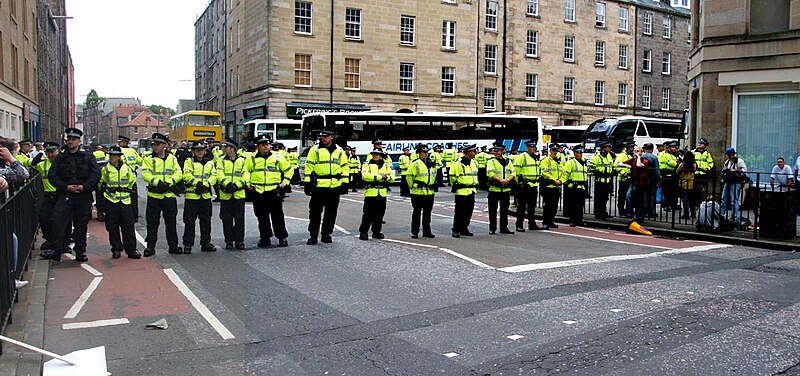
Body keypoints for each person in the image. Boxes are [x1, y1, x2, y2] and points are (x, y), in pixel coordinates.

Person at [40, 128, 100, 262]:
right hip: (65, 194)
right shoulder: (61, 157)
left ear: (79, 141)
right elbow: (52, 175)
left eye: (74, 139)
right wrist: (65, 187)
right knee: (57, 221)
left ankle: (80, 252)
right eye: (69, 140)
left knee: (81, 224)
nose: (71, 142)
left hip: (82, 195)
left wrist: (84, 187)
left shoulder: (88, 156)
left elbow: (96, 175)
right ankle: (57, 250)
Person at [304, 130, 349, 245]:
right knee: (315, 212)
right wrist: (307, 183)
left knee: (331, 212)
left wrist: (345, 183)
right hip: (319, 186)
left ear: (332, 137)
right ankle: (313, 235)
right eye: (321, 137)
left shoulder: (339, 151)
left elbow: (344, 167)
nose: (323, 139)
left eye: (326, 136)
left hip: (334, 186)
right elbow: (309, 166)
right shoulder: (315, 150)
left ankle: (326, 234)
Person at [141, 133, 183, 257]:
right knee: (152, 223)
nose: (155, 146)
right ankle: (150, 247)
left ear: (164, 145)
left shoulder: (172, 158)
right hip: (155, 195)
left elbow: (178, 173)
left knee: (171, 222)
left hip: (169, 195)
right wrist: (158, 183)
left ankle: (173, 246)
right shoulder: (149, 159)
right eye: (153, 144)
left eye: (157, 144)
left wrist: (169, 183)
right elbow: (145, 174)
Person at [245, 135, 291, 248]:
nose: (266, 146)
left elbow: (288, 170)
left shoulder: (277, 157)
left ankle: (282, 237)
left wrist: (285, 182)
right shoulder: (251, 159)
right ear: (258, 147)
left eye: (267, 144)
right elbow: (246, 171)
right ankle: (265, 238)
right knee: (261, 216)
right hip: (258, 191)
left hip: (274, 190)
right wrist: (248, 183)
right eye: (263, 145)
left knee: (278, 216)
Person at [100, 146, 141, 259]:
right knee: (112, 226)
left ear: (119, 157)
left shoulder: (127, 168)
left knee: (128, 225)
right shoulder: (105, 169)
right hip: (111, 199)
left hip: (125, 200)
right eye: (110, 155)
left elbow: (132, 181)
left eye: (114, 155)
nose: (111, 157)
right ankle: (116, 248)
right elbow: (101, 182)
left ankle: (131, 250)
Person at [182, 141, 218, 254]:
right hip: (192, 197)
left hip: (205, 196)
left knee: (206, 221)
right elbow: (186, 174)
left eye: (202, 150)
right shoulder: (189, 162)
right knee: (189, 221)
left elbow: (214, 176)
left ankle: (206, 242)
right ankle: (188, 244)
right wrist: (197, 183)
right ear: (193, 152)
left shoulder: (210, 163)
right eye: (197, 150)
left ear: (205, 151)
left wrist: (206, 184)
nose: (200, 152)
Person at [217, 138, 250, 250]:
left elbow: (246, 175)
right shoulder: (221, 160)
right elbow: (219, 174)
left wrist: (236, 185)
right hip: (225, 194)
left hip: (238, 194)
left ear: (232, 149)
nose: (223, 149)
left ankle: (239, 240)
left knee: (239, 219)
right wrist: (227, 184)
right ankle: (229, 240)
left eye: (226, 147)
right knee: (226, 219)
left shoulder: (242, 160)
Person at [358, 149, 395, 240]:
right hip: (371, 192)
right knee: (368, 214)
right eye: (374, 154)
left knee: (380, 214)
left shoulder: (386, 165)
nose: (376, 156)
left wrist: (387, 178)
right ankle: (363, 232)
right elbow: (365, 176)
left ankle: (376, 232)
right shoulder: (367, 165)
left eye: (378, 154)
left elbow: (392, 177)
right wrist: (380, 177)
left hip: (382, 193)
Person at [31, 142, 60, 250]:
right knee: (43, 218)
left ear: (57, 151)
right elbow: (31, 164)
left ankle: (63, 243)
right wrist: (38, 155)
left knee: (60, 220)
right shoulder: (42, 164)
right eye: (48, 152)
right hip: (48, 195)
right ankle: (49, 239)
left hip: (60, 195)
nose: (51, 155)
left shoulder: (62, 163)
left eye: (53, 152)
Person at [408, 144, 438, 239]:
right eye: (423, 152)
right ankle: (415, 232)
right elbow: (409, 177)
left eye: (426, 152)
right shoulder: (415, 164)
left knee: (427, 213)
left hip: (429, 192)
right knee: (416, 213)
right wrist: (413, 186)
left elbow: (434, 175)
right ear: (419, 153)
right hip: (418, 193)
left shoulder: (431, 164)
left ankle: (427, 231)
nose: (425, 154)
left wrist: (433, 184)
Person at [450, 144, 479, 238]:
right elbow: (452, 176)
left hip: (471, 190)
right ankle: (456, 229)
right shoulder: (458, 163)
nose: (475, 153)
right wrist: (456, 185)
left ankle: (464, 228)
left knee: (468, 212)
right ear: (467, 152)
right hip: (461, 191)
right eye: (473, 151)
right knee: (459, 212)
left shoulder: (474, 162)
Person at [486, 143, 516, 234]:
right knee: (492, 211)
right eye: (495, 151)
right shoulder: (491, 161)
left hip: (505, 189)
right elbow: (490, 173)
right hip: (494, 189)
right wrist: (500, 180)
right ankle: (492, 228)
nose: (496, 153)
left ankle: (504, 228)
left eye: (498, 151)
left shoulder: (508, 161)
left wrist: (507, 180)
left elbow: (513, 172)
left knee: (504, 210)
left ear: (502, 151)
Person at [513, 139, 542, 231]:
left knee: (532, 207)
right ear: (527, 147)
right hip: (524, 185)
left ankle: (532, 224)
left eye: (534, 147)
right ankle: (519, 224)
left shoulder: (536, 157)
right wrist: (518, 183)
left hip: (534, 185)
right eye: (532, 147)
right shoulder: (522, 157)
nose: (534, 148)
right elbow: (515, 171)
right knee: (521, 206)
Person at [624, 146, 653, 223]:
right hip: (634, 183)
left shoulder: (645, 160)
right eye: (635, 151)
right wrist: (625, 165)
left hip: (642, 184)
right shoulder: (632, 160)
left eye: (638, 151)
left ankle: (640, 216)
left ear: (641, 152)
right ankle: (630, 213)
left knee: (641, 201)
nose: (636, 152)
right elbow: (620, 163)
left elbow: (639, 165)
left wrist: (638, 157)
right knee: (628, 196)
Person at [563, 145, 589, 227]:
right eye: (578, 152)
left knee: (580, 205)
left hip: (582, 187)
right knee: (573, 205)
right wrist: (564, 182)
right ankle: (572, 220)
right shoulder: (571, 162)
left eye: (581, 152)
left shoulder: (583, 162)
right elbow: (565, 174)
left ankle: (579, 220)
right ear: (574, 153)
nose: (580, 154)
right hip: (573, 187)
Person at [720, 147, 747, 225]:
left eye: (731, 154)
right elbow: (724, 170)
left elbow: (744, 170)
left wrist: (735, 170)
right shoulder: (727, 162)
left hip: (735, 182)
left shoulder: (739, 161)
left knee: (734, 201)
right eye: (729, 155)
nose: (730, 156)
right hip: (728, 181)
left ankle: (735, 218)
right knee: (723, 199)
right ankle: (723, 215)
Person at [118, 135, 142, 220]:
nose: (118, 143)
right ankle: (134, 216)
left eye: (119, 141)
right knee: (133, 198)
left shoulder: (119, 151)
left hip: (121, 177)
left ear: (124, 142)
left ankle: (123, 216)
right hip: (133, 177)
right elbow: (140, 161)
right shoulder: (133, 151)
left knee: (122, 198)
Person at [589, 141, 615, 220]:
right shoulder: (596, 157)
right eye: (608, 147)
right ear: (603, 148)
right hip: (600, 181)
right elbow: (592, 168)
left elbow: (612, 165)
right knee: (599, 199)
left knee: (605, 199)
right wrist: (600, 172)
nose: (610, 148)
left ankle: (603, 213)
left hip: (607, 181)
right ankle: (598, 214)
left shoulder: (609, 156)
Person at [539, 144, 563, 229]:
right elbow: (545, 173)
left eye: (556, 150)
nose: (555, 152)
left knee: (554, 206)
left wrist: (560, 181)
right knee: (547, 206)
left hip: (556, 187)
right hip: (548, 187)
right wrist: (554, 180)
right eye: (553, 150)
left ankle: (551, 221)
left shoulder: (558, 161)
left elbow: (562, 172)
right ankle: (545, 222)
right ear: (550, 151)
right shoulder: (545, 160)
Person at [658, 140, 681, 211]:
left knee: (674, 191)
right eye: (673, 147)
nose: (675, 148)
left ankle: (673, 205)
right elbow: (674, 164)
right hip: (666, 176)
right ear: (668, 148)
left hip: (674, 175)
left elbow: (680, 162)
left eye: (676, 147)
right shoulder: (665, 155)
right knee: (667, 192)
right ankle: (666, 205)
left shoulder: (675, 154)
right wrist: (677, 162)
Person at [615, 139, 635, 218]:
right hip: (624, 179)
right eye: (632, 147)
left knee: (630, 196)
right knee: (622, 196)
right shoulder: (622, 155)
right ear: (628, 147)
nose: (633, 148)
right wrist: (623, 173)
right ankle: (621, 210)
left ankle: (629, 210)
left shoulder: (632, 155)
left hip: (631, 178)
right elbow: (616, 165)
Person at [693, 138, 714, 208]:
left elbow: (711, 163)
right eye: (699, 143)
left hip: (703, 174)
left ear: (705, 146)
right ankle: (695, 203)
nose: (699, 144)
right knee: (694, 189)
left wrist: (707, 169)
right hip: (695, 174)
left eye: (702, 144)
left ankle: (699, 203)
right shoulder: (693, 152)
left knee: (702, 190)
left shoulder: (707, 154)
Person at [642, 143, 661, 218]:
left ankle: (643, 211)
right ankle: (651, 212)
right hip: (651, 179)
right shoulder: (654, 157)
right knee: (651, 196)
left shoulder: (642, 156)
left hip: (642, 178)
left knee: (643, 195)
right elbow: (656, 170)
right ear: (652, 149)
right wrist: (658, 180)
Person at [677, 150, 697, 220]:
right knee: (691, 199)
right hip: (691, 183)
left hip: (684, 183)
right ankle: (693, 213)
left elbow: (677, 171)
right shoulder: (694, 165)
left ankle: (686, 214)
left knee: (685, 200)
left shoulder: (683, 165)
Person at [91, 143, 108, 221]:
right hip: (104, 176)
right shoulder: (105, 154)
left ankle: (99, 213)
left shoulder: (92, 154)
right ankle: (105, 212)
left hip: (95, 177)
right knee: (105, 197)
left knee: (98, 196)